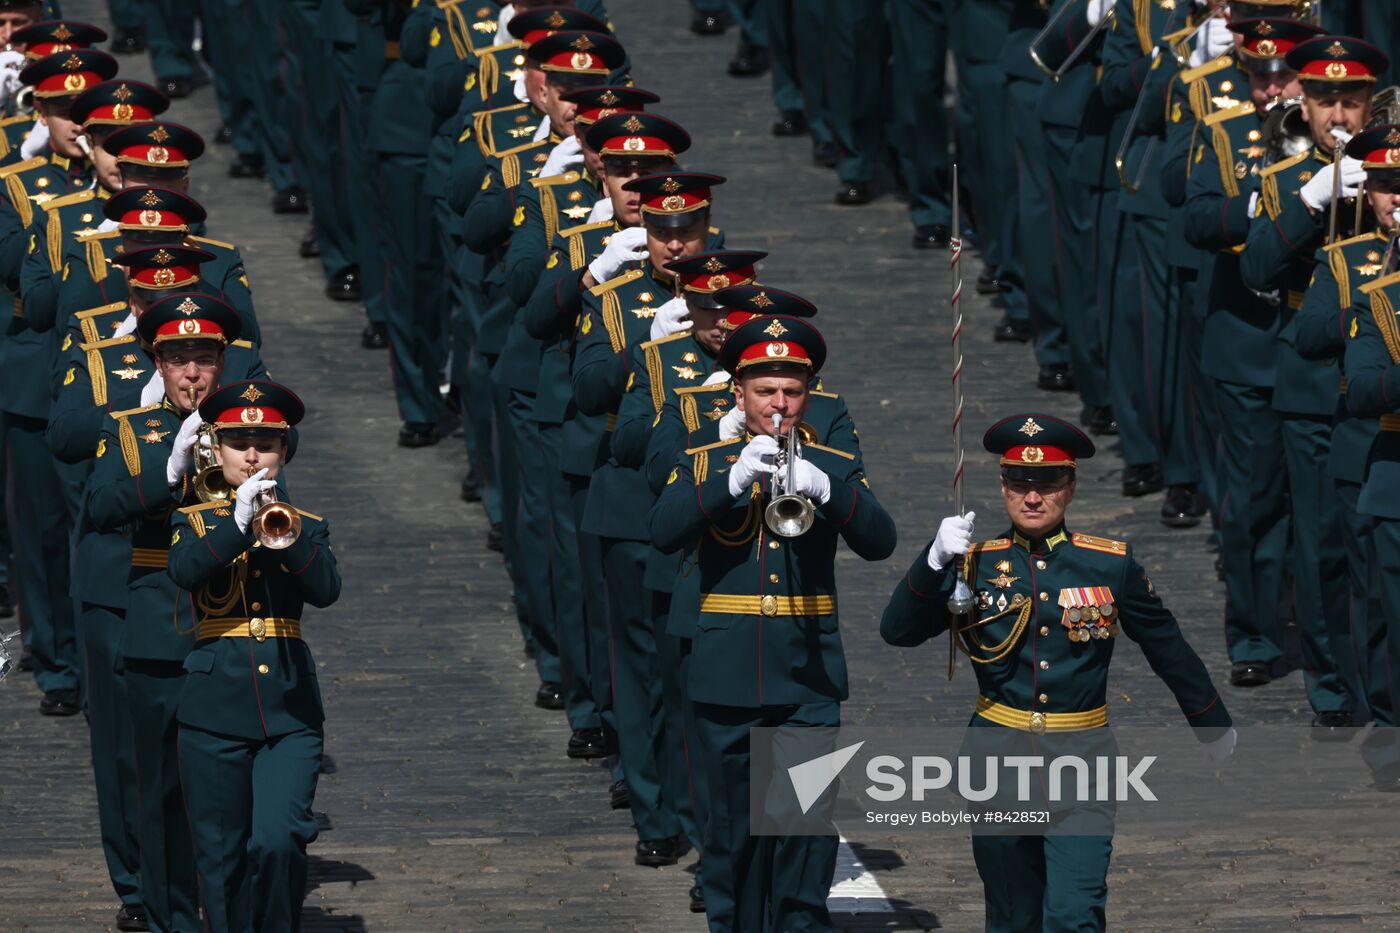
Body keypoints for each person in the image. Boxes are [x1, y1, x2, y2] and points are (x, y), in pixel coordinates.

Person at [880, 412, 1234, 931]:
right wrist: (932, 561)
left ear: (1069, 488)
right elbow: (897, 631)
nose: (1031, 498)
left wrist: (1211, 721)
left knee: (1075, 914)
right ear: (1003, 487)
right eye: (1019, 484)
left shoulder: (1108, 564)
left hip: (1082, 767)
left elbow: (1167, 647)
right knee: (1013, 916)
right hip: (997, 768)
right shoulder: (973, 563)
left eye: (1046, 485)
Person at [650, 314, 896, 932]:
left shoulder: (831, 459)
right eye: (765, 391)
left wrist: (824, 488)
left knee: (804, 837)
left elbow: (880, 539)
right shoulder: (706, 454)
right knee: (732, 841)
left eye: (791, 391)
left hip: (807, 678)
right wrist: (731, 480)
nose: (779, 404)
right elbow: (661, 529)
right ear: (739, 393)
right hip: (726, 675)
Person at [84, 293, 247, 933]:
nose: (192, 375)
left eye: (204, 360)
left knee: (232, 790)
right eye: (180, 360)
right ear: (158, 362)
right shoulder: (130, 428)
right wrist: (170, 477)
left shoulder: (247, 428)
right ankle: (167, 916)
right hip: (161, 624)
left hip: (232, 623)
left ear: (220, 362)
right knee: (158, 792)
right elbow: (101, 508)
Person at [1239, 34, 1389, 727]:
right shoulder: (1288, 178)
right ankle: (1334, 686)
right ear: (1301, 98)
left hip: (1383, 375)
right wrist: (1312, 197)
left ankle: (1379, 679)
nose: (1338, 113)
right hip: (1313, 377)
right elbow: (1259, 267)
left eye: (1350, 101)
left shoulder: (1389, 172)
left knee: (1376, 545)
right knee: (1323, 541)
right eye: (1325, 98)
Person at [168, 379, 338, 933]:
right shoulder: (193, 521)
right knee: (220, 861)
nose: (251, 454)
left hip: (288, 713)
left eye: (264, 443)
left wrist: (284, 534)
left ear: (283, 451)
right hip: (214, 713)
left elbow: (326, 589)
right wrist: (238, 525)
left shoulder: (305, 525)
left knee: (279, 839)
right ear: (216, 449)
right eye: (238, 441)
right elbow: (185, 571)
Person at [1183, 16, 1310, 688]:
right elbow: (1196, 216)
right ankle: (1256, 632)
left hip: (1316, 349)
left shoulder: (1338, 146)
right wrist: (1264, 212)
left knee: (1319, 507)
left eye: (1281, 76)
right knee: (1253, 498)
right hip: (1245, 337)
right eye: (1258, 76)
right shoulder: (1225, 130)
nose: (1267, 90)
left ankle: (1321, 635)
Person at [0, 47, 117, 717]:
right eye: (63, 111)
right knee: (41, 529)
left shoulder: (127, 182)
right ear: (40, 112)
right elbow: (14, 269)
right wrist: (52, 202)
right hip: (36, 374)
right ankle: (57, 661)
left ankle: (100, 656)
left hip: (111, 383)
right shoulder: (16, 180)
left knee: (99, 527)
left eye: (86, 111)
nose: (77, 123)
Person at [1296, 124, 1400, 741]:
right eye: (1385, 187)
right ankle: (1383, 720)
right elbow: (1310, 339)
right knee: (1373, 593)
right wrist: (1369, 316)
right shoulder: (1349, 258)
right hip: (1369, 441)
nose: (1394, 199)